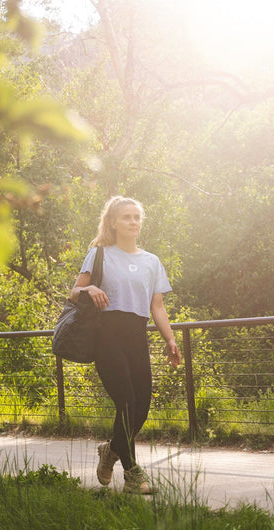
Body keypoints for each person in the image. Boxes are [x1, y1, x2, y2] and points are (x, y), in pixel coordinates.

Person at [69, 196, 181, 494]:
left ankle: (110, 451)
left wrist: (169, 339)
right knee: (127, 400)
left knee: (141, 406)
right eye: (127, 217)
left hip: (137, 336)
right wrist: (90, 287)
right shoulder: (99, 254)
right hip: (107, 335)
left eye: (136, 217)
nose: (133, 222)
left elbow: (156, 306)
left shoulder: (151, 261)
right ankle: (132, 474)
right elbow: (73, 292)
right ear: (113, 222)